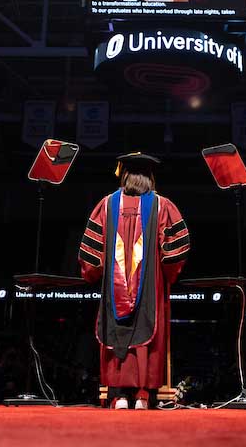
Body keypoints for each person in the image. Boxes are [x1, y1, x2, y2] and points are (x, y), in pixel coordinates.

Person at [79, 152, 189, 409]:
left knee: (117, 328)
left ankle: (117, 395)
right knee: (146, 329)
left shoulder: (106, 206)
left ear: (124, 174)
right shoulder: (163, 206)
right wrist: (167, 273)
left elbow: (91, 253)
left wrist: (92, 273)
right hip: (150, 286)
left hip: (113, 290)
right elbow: (175, 251)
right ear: (150, 177)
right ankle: (142, 396)